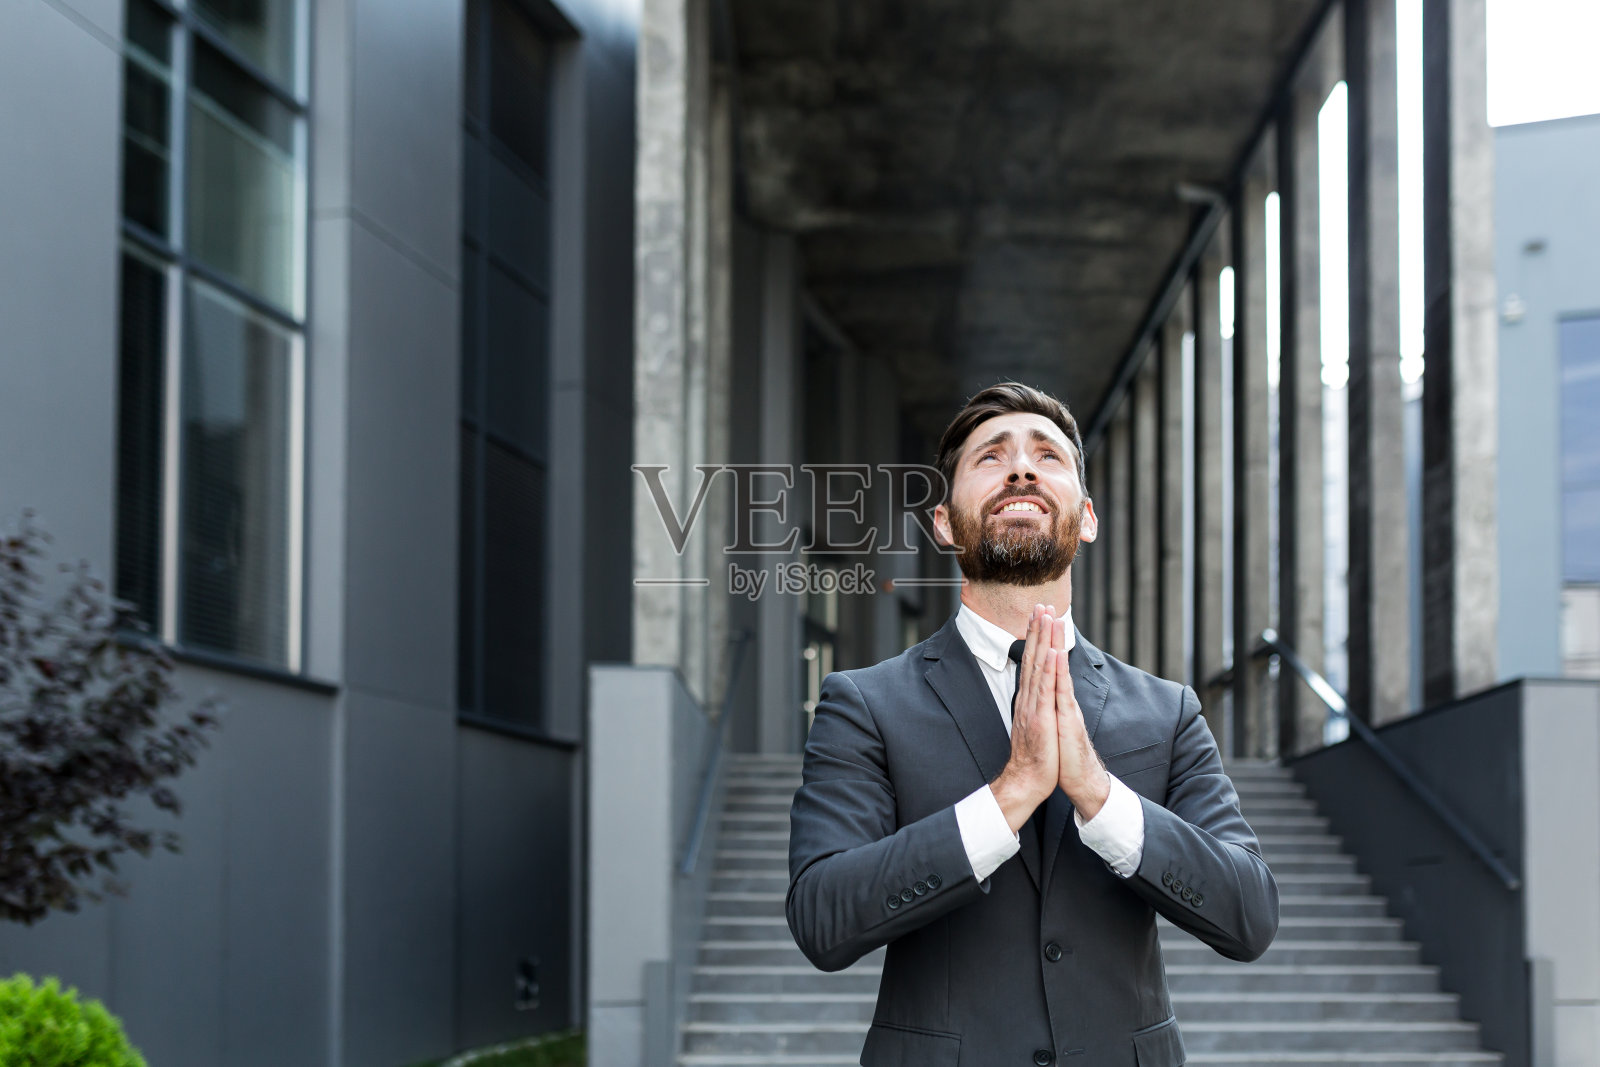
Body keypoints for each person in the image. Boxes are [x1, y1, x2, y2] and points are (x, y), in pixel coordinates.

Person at [785, 381, 1279, 1067]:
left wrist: (1100, 796)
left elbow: (1249, 914)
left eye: (1047, 455)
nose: (1021, 467)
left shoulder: (1168, 712)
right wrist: (1009, 794)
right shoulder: (864, 703)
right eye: (991, 456)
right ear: (946, 524)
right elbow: (822, 916)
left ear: (1085, 518)